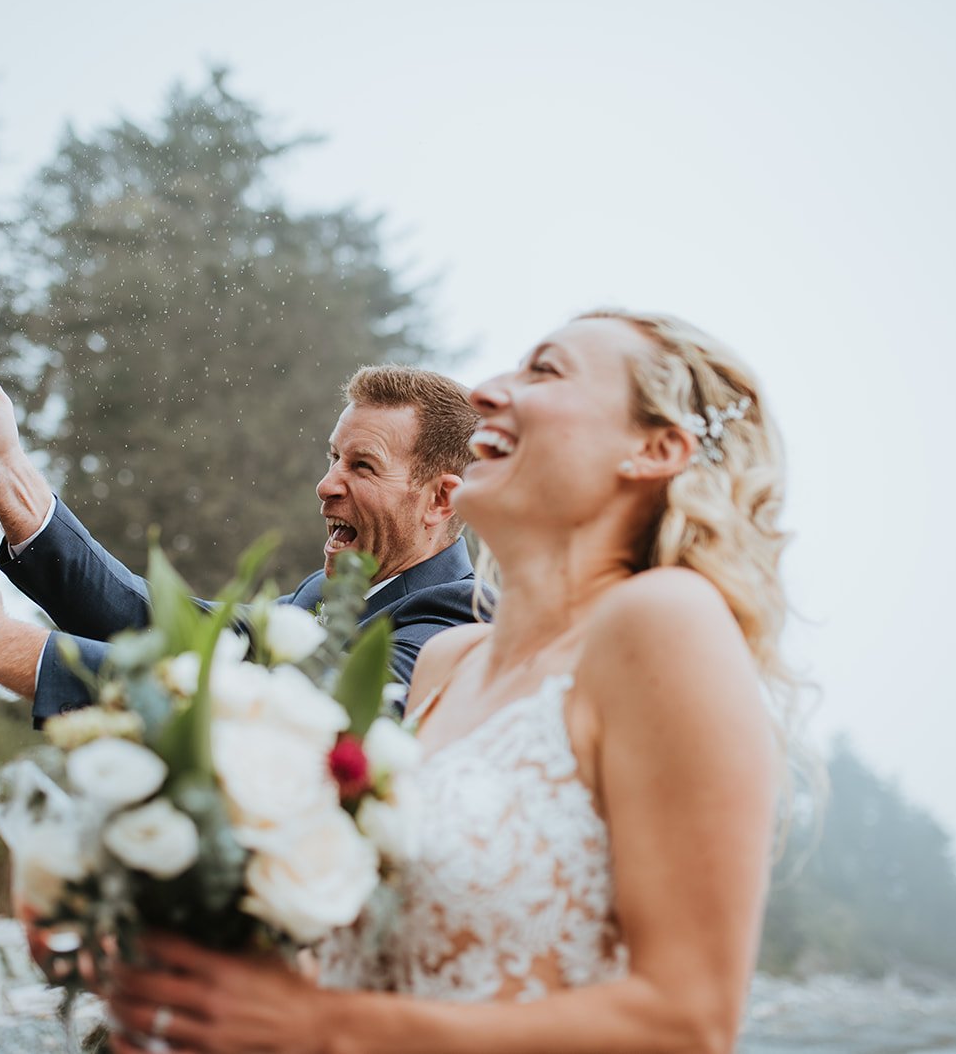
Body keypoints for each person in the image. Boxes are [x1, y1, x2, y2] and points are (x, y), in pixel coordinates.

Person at [99, 310, 806, 1054]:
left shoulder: (664, 622)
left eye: (546, 370)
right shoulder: (450, 661)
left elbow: (688, 1021)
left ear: (655, 448)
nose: (491, 393)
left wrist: (327, 1027)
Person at [0, 365, 483, 723]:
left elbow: (283, 723)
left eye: (363, 467)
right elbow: (170, 631)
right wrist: (9, 477)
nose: (326, 485)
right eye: (332, 458)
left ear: (441, 500)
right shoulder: (323, 594)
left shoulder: (456, 622)